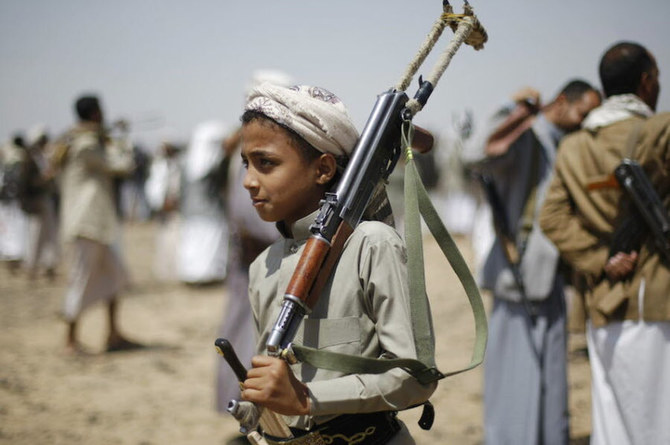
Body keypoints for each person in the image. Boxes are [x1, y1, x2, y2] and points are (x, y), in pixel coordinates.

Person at [237, 83, 436, 444]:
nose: (249, 181)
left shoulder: (372, 244)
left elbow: (416, 378)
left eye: (266, 163)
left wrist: (308, 399)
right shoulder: (263, 266)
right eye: (246, 164)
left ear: (323, 169)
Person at [539, 41, 669, 445]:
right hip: (656, 301)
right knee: (657, 424)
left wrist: (600, 259)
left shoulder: (575, 146)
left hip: (602, 301)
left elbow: (552, 217)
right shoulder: (660, 132)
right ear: (647, 83)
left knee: (612, 423)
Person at [466, 80, 601, 445]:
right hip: (518, 277)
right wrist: (519, 113)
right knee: (514, 377)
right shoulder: (527, 135)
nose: (585, 121)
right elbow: (477, 152)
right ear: (561, 102)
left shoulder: (567, 143)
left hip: (552, 278)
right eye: (583, 112)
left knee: (551, 379)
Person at [59, 94, 140, 354]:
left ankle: (113, 334)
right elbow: (122, 165)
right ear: (95, 114)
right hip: (86, 223)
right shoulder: (85, 145)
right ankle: (70, 340)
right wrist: (121, 139)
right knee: (80, 280)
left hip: (98, 224)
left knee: (115, 278)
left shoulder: (85, 140)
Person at [20, 126, 60, 280]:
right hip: (36, 201)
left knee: (50, 234)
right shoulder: (29, 159)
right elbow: (26, 183)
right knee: (35, 235)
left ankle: (49, 265)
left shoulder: (42, 157)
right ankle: (31, 266)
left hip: (46, 200)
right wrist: (44, 179)